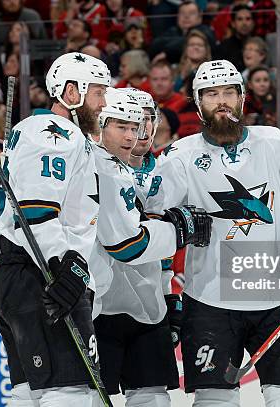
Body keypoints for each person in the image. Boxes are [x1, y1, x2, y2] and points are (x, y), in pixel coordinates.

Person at [144, 59, 280, 407]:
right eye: (211, 94)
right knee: (215, 400)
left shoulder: (276, 143)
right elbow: (153, 225)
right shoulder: (179, 156)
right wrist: (164, 289)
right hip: (210, 302)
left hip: (277, 297)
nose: (222, 101)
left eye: (229, 93)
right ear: (197, 103)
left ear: (243, 98)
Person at [0, 52, 109, 405]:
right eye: (98, 92)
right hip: (44, 279)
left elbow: (12, 209)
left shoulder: (30, 132)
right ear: (71, 93)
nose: (104, 103)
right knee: (70, 393)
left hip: (17, 274)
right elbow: (37, 210)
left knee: (27, 395)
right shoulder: (55, 132)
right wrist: (63, 266)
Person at [90, 87, 210, 405]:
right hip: (97, 304)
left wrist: (169, 298)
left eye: (145, 121)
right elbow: (129, 243)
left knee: (153, 396)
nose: (139, 131)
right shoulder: (95, 165)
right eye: (129, 123)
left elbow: (163, 253)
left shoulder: (165, 172)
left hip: (147, 306)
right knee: (87, 396)